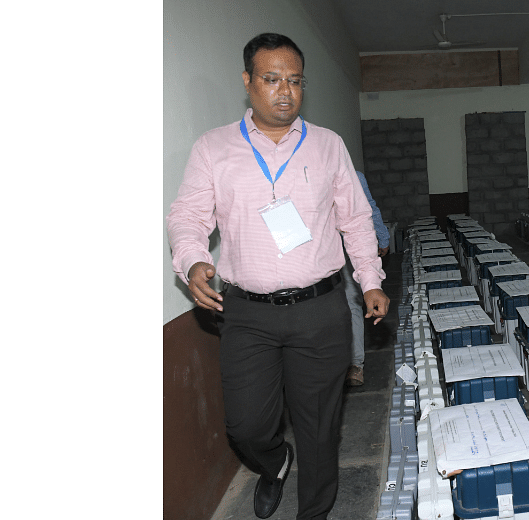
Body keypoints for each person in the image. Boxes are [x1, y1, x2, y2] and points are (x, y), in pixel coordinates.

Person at [166, 33, 389, 520]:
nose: (285, 91)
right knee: (246, 426)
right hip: (246, 313)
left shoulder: (328, 146)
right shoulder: (213, 149)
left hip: (320, 310)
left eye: (294, 81)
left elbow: (354, 218)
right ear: (248, 82)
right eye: (272, 79)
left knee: (319, 429)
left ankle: (315, 511)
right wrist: (192, 259)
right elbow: (187, 216)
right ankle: (274, 463)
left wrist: (370, 279)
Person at [343, 171, 390, 387]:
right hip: (316, 254)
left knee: (353, 300)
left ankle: (355, 364)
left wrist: (382, 236)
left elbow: (369, 208)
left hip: (350, 248)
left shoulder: (355, 176)